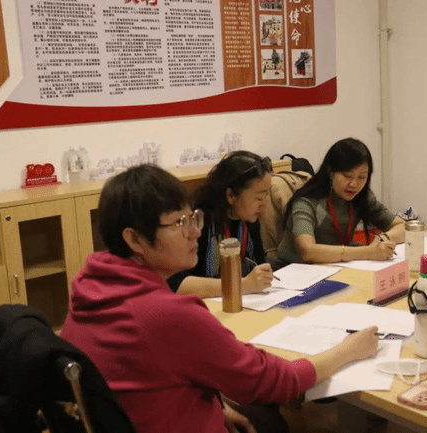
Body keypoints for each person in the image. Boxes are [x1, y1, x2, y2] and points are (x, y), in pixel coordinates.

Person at [60, 164, 380, 433]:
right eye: (179, 223)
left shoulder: (91, 288)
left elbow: (144, 379)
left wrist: (217, 406)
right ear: (134, 239)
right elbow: (272, 381)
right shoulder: (167, 314)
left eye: (193, 219)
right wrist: (347, 350)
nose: (194, 232)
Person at [276, 138, 405, 266]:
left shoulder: (361, 197)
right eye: (347, 176)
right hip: (295, 269)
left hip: (335, 265)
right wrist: (368, 252)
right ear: (330, 172)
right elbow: (307, 251)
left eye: (362, 177)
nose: (354, 184)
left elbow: (403, 226)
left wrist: (384, 238)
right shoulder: (307, 202)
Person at [168, 151, 275, 297]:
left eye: (266, 195)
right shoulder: (196, 219)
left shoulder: (249, 219)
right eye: (258, 198)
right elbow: (176, 283)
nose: (264, 205)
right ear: (230, 195)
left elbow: (259, 264)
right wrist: (242, 285)